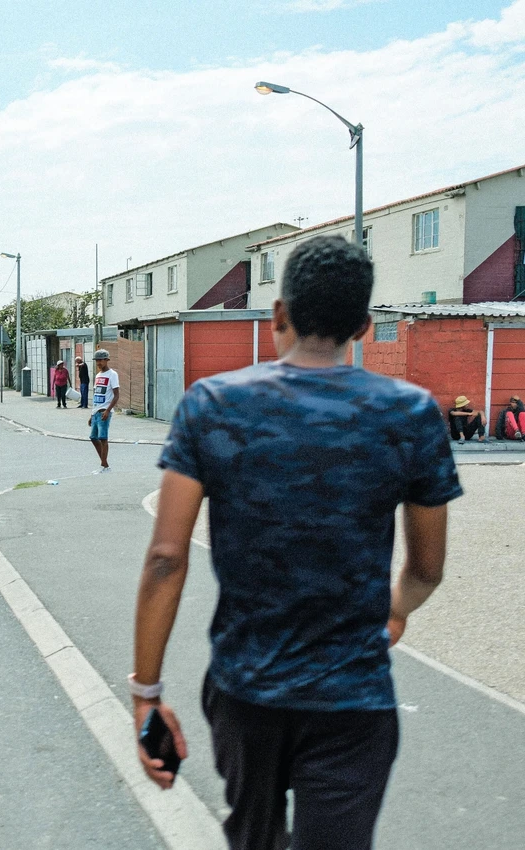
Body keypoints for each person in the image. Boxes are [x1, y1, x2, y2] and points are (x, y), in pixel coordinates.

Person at [132, 235, 461, 850]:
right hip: (354, 698)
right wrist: (394, 610)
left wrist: (146, 695)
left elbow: (166, 559)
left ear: (279, 314)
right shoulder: (410, 414)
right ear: (363, 327)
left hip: (245, 690)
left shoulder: (213, 405)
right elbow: (427, 569)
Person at [87, 350, 119, 473]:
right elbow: (96, 395)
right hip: (96, 411)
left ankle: (103, 466)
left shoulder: (112, 374)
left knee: (103, 438)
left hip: (104, 411)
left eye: (101, 360)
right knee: (93, 437)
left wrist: (108, 410)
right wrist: (91, 414)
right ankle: (105, 464)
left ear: (106, 360)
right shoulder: (98, 375)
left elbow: (116, 395)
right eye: (97, 361)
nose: (99, 363)